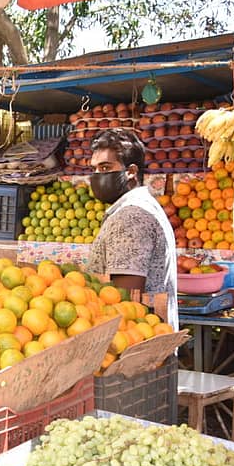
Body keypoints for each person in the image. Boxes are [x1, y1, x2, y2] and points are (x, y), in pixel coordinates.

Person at [86, 129, 178, 329]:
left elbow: (125, 301)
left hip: (133, 343)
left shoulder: (131, 217)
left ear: (132, 172)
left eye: (105, 167)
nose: (96, 176)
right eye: (94, 169)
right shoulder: (145, 205)